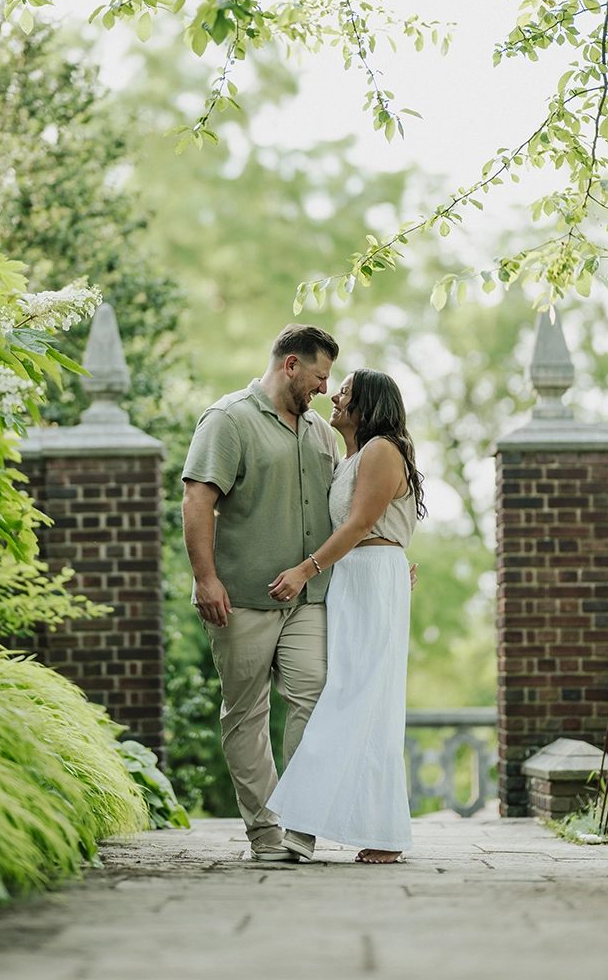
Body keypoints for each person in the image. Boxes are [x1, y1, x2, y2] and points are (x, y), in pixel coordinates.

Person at [181, 325, 344, 862]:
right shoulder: (227, 420)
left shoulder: (321, 433)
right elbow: (197, 500)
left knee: (315, 702)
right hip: (241, 599)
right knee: (247, 714)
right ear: (290, 365)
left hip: (308, 600)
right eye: (320, 375)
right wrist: (206, 579)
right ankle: (266, 833)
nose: (325, 387)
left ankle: (299, 822)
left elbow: (345, 508)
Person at [264, 368, 424, 863]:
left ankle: (367, 831)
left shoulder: (380, 449)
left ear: (368, 405)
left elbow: (360, 524)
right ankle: (329, 823)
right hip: (356, 578)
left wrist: (305, 570)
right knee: (352, 696)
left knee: (358, 699)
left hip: (368, 577)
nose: (335, 396)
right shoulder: (352, 455)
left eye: (347, 391)